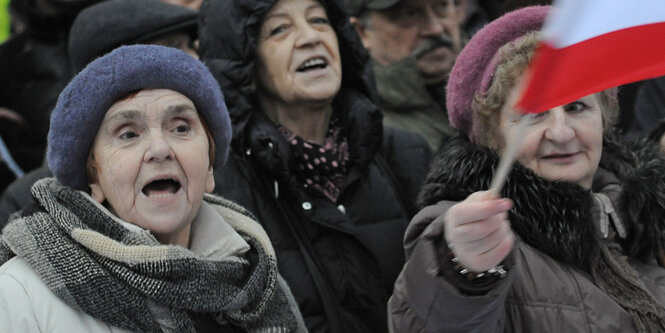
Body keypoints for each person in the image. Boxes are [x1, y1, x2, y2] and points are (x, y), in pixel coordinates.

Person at [388, 6, 665, 332]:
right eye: (534, 114)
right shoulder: (470, 228)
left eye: (577, 107)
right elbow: (435, 320)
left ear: (604, 118)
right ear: (492, 135)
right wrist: (465, 271)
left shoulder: (643, 219)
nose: (561, 133)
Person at [0, 45, 305, 332]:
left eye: (181, 127)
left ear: (210, 167)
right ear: (93, 177)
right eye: (128, 134)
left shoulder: (257, 274)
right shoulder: (20, 293)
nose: (160, 149)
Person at [198, 0, 431, 331]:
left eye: (319, 21)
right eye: (280, 29)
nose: (310, 38)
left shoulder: (404, 154)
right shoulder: (221, 188)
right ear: (245, 66)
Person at [0, 0, 200, 227]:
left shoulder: (214, 167)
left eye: (181, 129)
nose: (193, 61)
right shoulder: (25, 204)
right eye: (128, 135)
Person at [345, 0, 464, 151]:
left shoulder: (497, 78)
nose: (435, 29)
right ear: (360, 32)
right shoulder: (371, 134)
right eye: (408, 14)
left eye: (442, 6)